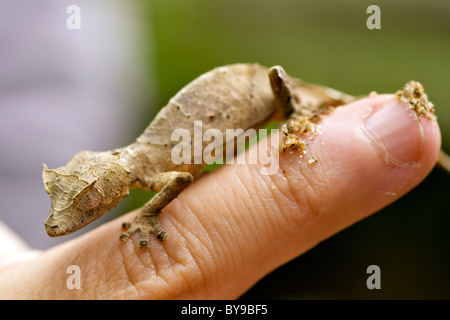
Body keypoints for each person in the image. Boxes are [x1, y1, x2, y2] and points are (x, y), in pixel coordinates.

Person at [0, 93, 441, 299]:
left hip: (264, 92)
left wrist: (149, 216)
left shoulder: (153, 174)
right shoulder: (142, 170)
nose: (63, 220)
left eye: (87, 203)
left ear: (108, 187)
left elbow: (179, 182)